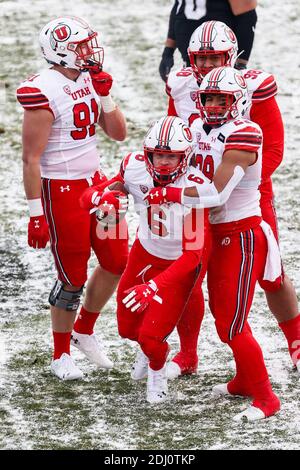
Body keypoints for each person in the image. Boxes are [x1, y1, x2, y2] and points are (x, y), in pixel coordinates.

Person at [164, 20, 300, 379]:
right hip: (194, 194)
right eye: (200, 58)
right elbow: (173, 137)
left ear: (232, 55)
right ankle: (188, 353)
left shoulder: (254, 85)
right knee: (188, 272)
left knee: (271, 272)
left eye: (214, 57)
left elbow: (272, 148)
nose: (206, 65)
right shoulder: (180, 84)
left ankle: (296, 339)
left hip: (245, 195)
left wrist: (240, 185)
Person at [146, 67, 281, 421]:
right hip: (209, 230)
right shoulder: (193, 128)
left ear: (239, 101)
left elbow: (217, 192)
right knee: (212, 309)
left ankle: (267, 399)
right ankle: (244, 379)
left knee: (232, 323)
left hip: (240, 233)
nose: (216, 105)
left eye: (224, 98)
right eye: (210, 97)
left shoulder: (246, 132)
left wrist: (170, 192)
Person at [16, 16, 128, 380]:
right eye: (81, 45)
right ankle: (60, 353)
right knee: (72, 276)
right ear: (62, 50)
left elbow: (118, 134)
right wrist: (36, 213)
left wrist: (106, 94)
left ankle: (84, 330)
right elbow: (30, 159)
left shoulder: (89, 78)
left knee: (116, 259)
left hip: (97, 185)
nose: (89, 51)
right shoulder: (42, 90)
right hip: (62, 190)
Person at [80, 116, 206, 403]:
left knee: (151, 337)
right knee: (126, 328)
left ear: (184, 157)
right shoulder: (135, 168)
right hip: (143, 254)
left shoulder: (195, 188)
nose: (162, 163)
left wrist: (153, 287)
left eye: (171, 157)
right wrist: (103, 201)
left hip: (177, 266)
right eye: (158, 155)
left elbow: (193, 256)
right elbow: (86, 198)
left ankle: (157, 371)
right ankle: (149, 348)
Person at [159, 0, 257, 82]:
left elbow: (247, 14)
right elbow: (180, 7)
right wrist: (168, 51)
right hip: (191, 55)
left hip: (217, 55)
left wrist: (240, 63)